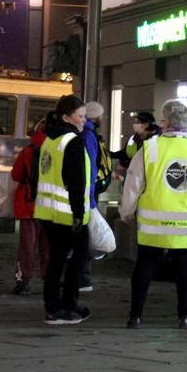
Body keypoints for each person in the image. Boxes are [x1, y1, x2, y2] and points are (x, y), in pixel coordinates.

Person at [119, 99, 187, 329]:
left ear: (164, 121)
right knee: (185, 269)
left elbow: (132, 186)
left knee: (144, 267)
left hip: (152, 225)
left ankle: (135, 316)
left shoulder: (149, 149)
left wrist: (127, 213)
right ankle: (184, 317)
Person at [34, 95, 91, 325]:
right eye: (80, 116)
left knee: (55, 260)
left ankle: (52, 307)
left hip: (48, 213)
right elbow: (75, 181)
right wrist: (79, 214)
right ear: (67, 117)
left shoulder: (49, 140)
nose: (84, 121)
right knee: (78, 259)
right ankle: (69, 305)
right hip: (69, 213)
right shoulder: (73, 141)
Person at [10, 119, 50, 296]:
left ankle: (23, 281)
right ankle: (50, 280)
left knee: (27, 247)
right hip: (51, 207)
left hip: (28, 205)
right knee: (48, 247)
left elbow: (16, 175)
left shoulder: (27, 151)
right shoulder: (59, 151)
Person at [78, 101, 105, 293]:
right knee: (85, 237)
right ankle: (83, 279)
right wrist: (91, 199)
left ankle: (81, 278)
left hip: (82, 194)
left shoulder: (83, 134)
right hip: (87, 195)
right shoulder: (89, 136)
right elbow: (91, 169)